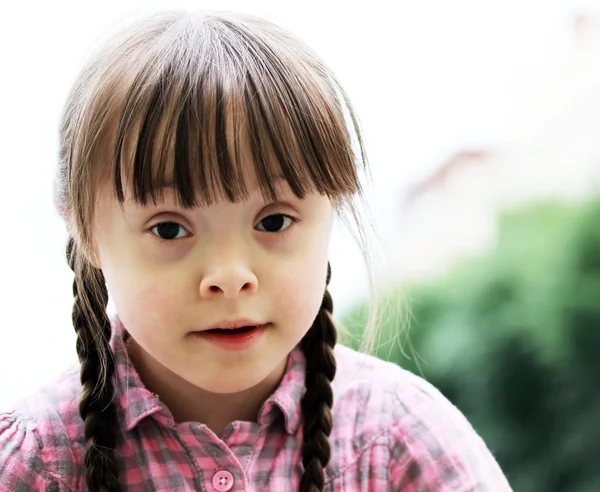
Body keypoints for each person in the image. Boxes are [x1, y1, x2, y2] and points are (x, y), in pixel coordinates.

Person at [0, 10, 512, 491]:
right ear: (85, 231)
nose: (229, 275)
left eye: (273, 221)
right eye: (170, 229)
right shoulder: (33, 464)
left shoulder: (399, 440)